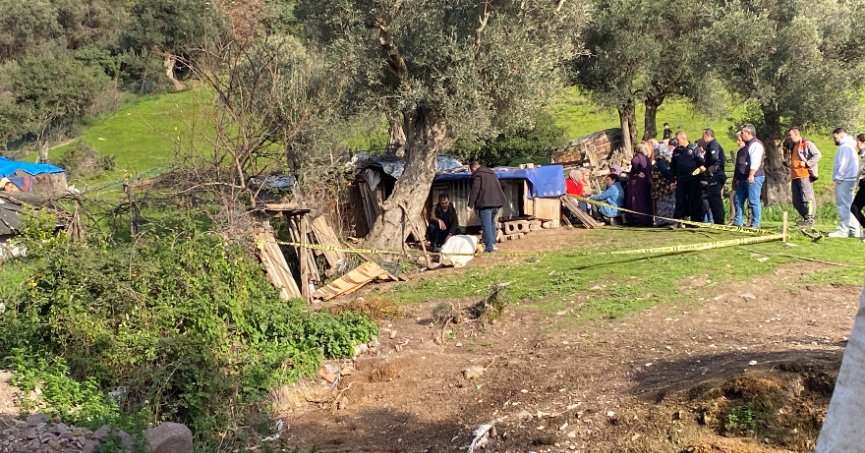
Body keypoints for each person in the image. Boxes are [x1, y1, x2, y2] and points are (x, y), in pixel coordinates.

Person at [828, 128, 861, 238]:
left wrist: (838, 178)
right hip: (849, 179)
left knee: (843, 205)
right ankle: (854, 230)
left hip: (845, 179)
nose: (834, 140)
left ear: (841, 135)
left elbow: (843, 164)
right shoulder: (849, 146)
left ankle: (843, 230)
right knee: (849, 205)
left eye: (835, 137)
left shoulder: (845, 147)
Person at [468, 161, 506, 253]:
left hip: (485, 204)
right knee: (491, 223)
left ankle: (489, 248)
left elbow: (475, 190)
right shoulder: (491, 173)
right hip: (496, 204)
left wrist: (470, 205)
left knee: (486, 226)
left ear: (472, 168)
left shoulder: (478, 175)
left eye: (470, 171)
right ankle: (492, 244)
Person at [733, 124, 765, 228]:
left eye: (742, 132)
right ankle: (738, 221)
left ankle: (755, 223)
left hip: (754, 177)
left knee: (753, 200)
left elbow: (755, 162)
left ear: (748, 133)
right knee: (737, 199)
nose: (741, 135)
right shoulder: (746, 146)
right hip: (743, 178)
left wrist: (751, 175)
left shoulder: (755, 145)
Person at [788, 127, 822, 226]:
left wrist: (807, 163)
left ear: (796, 134)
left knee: (807, 198)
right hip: (795, 177)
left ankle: (810, 219)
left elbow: (818, 155)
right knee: (796, 201)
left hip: (804, 175)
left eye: (791, 135)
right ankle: (806, 218)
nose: (790, 137)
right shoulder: (793, 146)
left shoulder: (807, 144)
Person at [670, 131, 704, 225]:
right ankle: (677, 221)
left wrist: (699, 175)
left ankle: (695, 222)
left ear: (683, 138)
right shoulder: (676, 151)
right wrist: (672, 180)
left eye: (678, 140)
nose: (676, 142)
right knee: (680, 200)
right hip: (681, 180)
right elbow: (673, 167)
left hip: (693, 180)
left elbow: (701, 163)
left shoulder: (694, 148)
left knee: (694, 200)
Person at [697, 128, 726, 224]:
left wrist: (705, 165)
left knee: (715, 198)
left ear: (707, 135)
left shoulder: (713, 145)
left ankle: (720, 222)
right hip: (714, 175)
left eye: (703, 136)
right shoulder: (710, 146)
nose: (702, 138)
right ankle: (717, 221)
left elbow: (714, 158)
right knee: (713, 199)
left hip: (716, 175)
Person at [625, 143, 654, 226]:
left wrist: (637, 171)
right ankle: (647, 219)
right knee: (645, 200)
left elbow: (634, 161)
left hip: (637, 183)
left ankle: (638, 219)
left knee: (637, 201)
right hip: (646, 181)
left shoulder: (637, 158)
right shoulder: (647, 159)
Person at [651, 140, 676, 226]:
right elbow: (666, 172)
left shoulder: (661, 160)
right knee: (665, 203)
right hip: (662, 187)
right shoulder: (661, 161)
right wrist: (672, 178)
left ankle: (664, 220)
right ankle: (664, 221)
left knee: (665, 203)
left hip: (660, 186)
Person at [851, 134, 865, 240]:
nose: (856, 144)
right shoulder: (860, 154)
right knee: (854, 208)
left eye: (857, 142)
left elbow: (859, 170)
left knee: (854, 207)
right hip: (863, 184)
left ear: (863, 142)